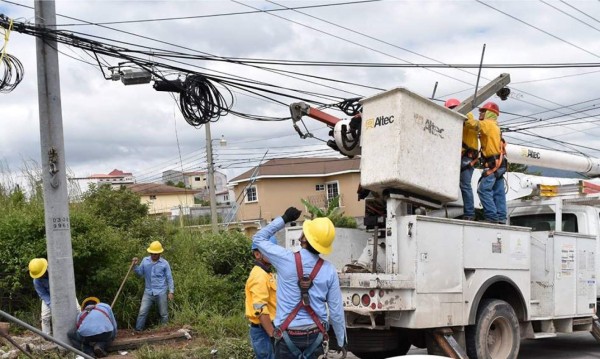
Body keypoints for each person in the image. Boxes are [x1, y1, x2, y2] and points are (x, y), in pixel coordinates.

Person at [253, 207, 346, 359]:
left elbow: (258, 239)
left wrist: (284, 218)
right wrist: (342, 342)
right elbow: (336, 311)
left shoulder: (285, 259)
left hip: (287, 336)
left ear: (304, 238)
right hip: (316, 336)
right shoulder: (329, 270)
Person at [466, 101, 507, 224]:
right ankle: (501, 218)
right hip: (499, 164)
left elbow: (471, 124)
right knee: (498, 192)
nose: (480, 113)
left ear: (490, 113)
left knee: (483, 190)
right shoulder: (495, 126)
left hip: (493, 164)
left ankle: (492, 217)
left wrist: (467, 112)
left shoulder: (487, 124)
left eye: (483, 111)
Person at [445, 98, 479, 221]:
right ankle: (465, 212)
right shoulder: (458, 122)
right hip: (461, 157)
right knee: (458, 185)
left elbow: (470, 122)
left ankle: (469, 213)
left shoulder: (467, 116)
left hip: (467, 158)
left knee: (465, 186)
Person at [245, 236, 278, 359]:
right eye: (270, 251)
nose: (274, 254)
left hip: (267, 329)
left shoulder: (266, 273)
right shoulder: (259, 276)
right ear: (258, 254)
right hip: (264, 331)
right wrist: (272, 335)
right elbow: (260, 308)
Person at [132, 240, 174, 331]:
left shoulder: (165, 263)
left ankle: (164, 331)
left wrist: (171, 291)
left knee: (164, 313)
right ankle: (138, 331)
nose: (154, 255)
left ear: (160, 253)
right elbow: (140, 273)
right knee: (142, 312)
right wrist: (135, 266)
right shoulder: (145, 261)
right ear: (150, 252)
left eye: (156, 254)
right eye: (152, 253)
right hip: (148, 291)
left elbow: (169, 278)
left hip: (161, 291)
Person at [29, 258, 52, 335]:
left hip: (64, 293)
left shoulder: (54, 270)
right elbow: (43, 294)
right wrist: (51, 305)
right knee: (45, 317)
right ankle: (47, 337)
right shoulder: (36, 281)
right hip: (49, 297)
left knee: (76, 310)